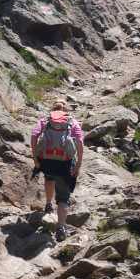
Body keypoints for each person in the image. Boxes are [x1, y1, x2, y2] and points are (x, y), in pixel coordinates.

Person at [30, 99, 84, 241]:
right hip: (64, 164)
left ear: (52, 109)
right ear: (66, 110)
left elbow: (34, 135)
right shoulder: (72, 122)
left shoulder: (45, 120)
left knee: (49, 178)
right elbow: (79, 142)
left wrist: (35, 157)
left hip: (47, 160)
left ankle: (48, 205)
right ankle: (61, 227)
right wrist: (78, 164)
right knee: (63, 198)